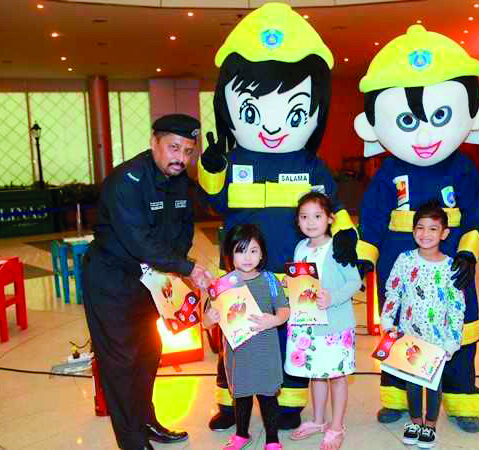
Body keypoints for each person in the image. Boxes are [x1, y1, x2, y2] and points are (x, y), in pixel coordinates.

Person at [198, 2, 365, 431]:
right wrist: (213, 167)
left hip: (293, 272)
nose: (272, 127)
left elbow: (336, 209)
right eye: (254, 111)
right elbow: (215, 203)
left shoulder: (311, 163)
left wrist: (348, 237)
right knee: (235, 332)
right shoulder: (235, 159)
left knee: (290, 335)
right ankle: (229, 403)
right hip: (240, 265)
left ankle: (289, 403)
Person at [355, 24, 479, 432]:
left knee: (460, 331)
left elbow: (473, 217)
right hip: (401, 268)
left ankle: (461, 398)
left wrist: (467, 252)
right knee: (398, 330)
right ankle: (397, 396)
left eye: (438, 117)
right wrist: (364, 262)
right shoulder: (387, 172)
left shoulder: (463, 168)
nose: (425, 133)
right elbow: (372, 219)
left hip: (451, 269)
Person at [82, 113, 213, 450]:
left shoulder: (182, 181)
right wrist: (186, 268)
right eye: (173, 148)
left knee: (148, 353)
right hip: (111, 281)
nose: (180, 158)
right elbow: (137, 240)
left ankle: (146, 420)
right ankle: (132, 441)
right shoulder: (127, 181)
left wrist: (174, 265)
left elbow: (184, 229)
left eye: (188, 151)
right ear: (154, 142)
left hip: (150, 282)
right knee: (120, 362)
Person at [380, 201, 466, 448]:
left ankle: (430, 425)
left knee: (434, 383)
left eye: (433, 229)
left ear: (444, 233)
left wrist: (452, 340)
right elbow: (393, 292)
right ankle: (415, 421)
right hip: (410, 336)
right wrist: (387, 321)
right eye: (420, 227)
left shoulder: (451, 267)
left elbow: (456, 306)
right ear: (413, 230)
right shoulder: (405, 260)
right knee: (413, 381)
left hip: (437, 340)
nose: (425, 234)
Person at [284, 192, 361, 450]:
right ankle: (318, 421)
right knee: (316, 374)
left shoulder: (338, 247)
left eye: (317, 216)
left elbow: (355, 282)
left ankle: (337, 426)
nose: (310, 222)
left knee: (336, 376)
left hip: (335, 326)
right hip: (307, 325)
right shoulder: (300, 248)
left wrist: (333, 298)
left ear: (329, 218)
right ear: (297, 221)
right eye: (304, 217)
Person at [203, 224, 290, 450]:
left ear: (262, 253)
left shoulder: (270, 280)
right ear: (230, 255)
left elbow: (284, 309)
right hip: (238, 353)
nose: (247, 257)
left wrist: (274, 319)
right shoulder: (222, 286)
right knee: (241, 396)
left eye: (253, 250)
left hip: (265, 351)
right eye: (240, 251)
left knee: (267, 396)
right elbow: (207, 321)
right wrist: (211, 318)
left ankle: (272, 438)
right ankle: (242, 435)